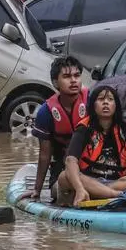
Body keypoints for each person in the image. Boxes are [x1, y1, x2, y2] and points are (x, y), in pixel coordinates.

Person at [56, 84, 126, 207]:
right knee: (64, 176)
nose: (105, 103)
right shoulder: (83, 129)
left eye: (110, 99)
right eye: (100, 99)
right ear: (93, 105)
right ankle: (115, 195)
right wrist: (80, 188)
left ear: (116, 105)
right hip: (87, 181)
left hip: (114, 182)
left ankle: (99, 193)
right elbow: (70, 161)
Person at [20, 55, 88, 201]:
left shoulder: (92, 103)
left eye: (77, 75)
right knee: (59, 190)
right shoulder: (46, 112)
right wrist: (37, 189)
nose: (73, 80)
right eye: (67, 76)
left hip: (91, 166)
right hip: (62, 168)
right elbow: (45, 155)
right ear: (56, 82)